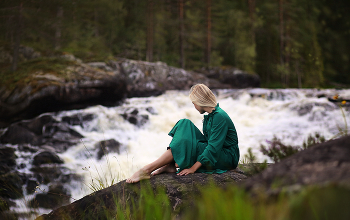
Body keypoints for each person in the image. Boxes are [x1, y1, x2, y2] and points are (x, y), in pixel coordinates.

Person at [126, 84, 240, 183]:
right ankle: (170, 165)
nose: (194, 106)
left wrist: (193, 169)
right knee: (184, 124)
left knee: (186, 142)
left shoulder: (219, 116)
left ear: (200, 102)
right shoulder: (212, 115)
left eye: (194, 103)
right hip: (217, 150)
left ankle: (146, 170)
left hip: (227, 157)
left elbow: (213, 148)